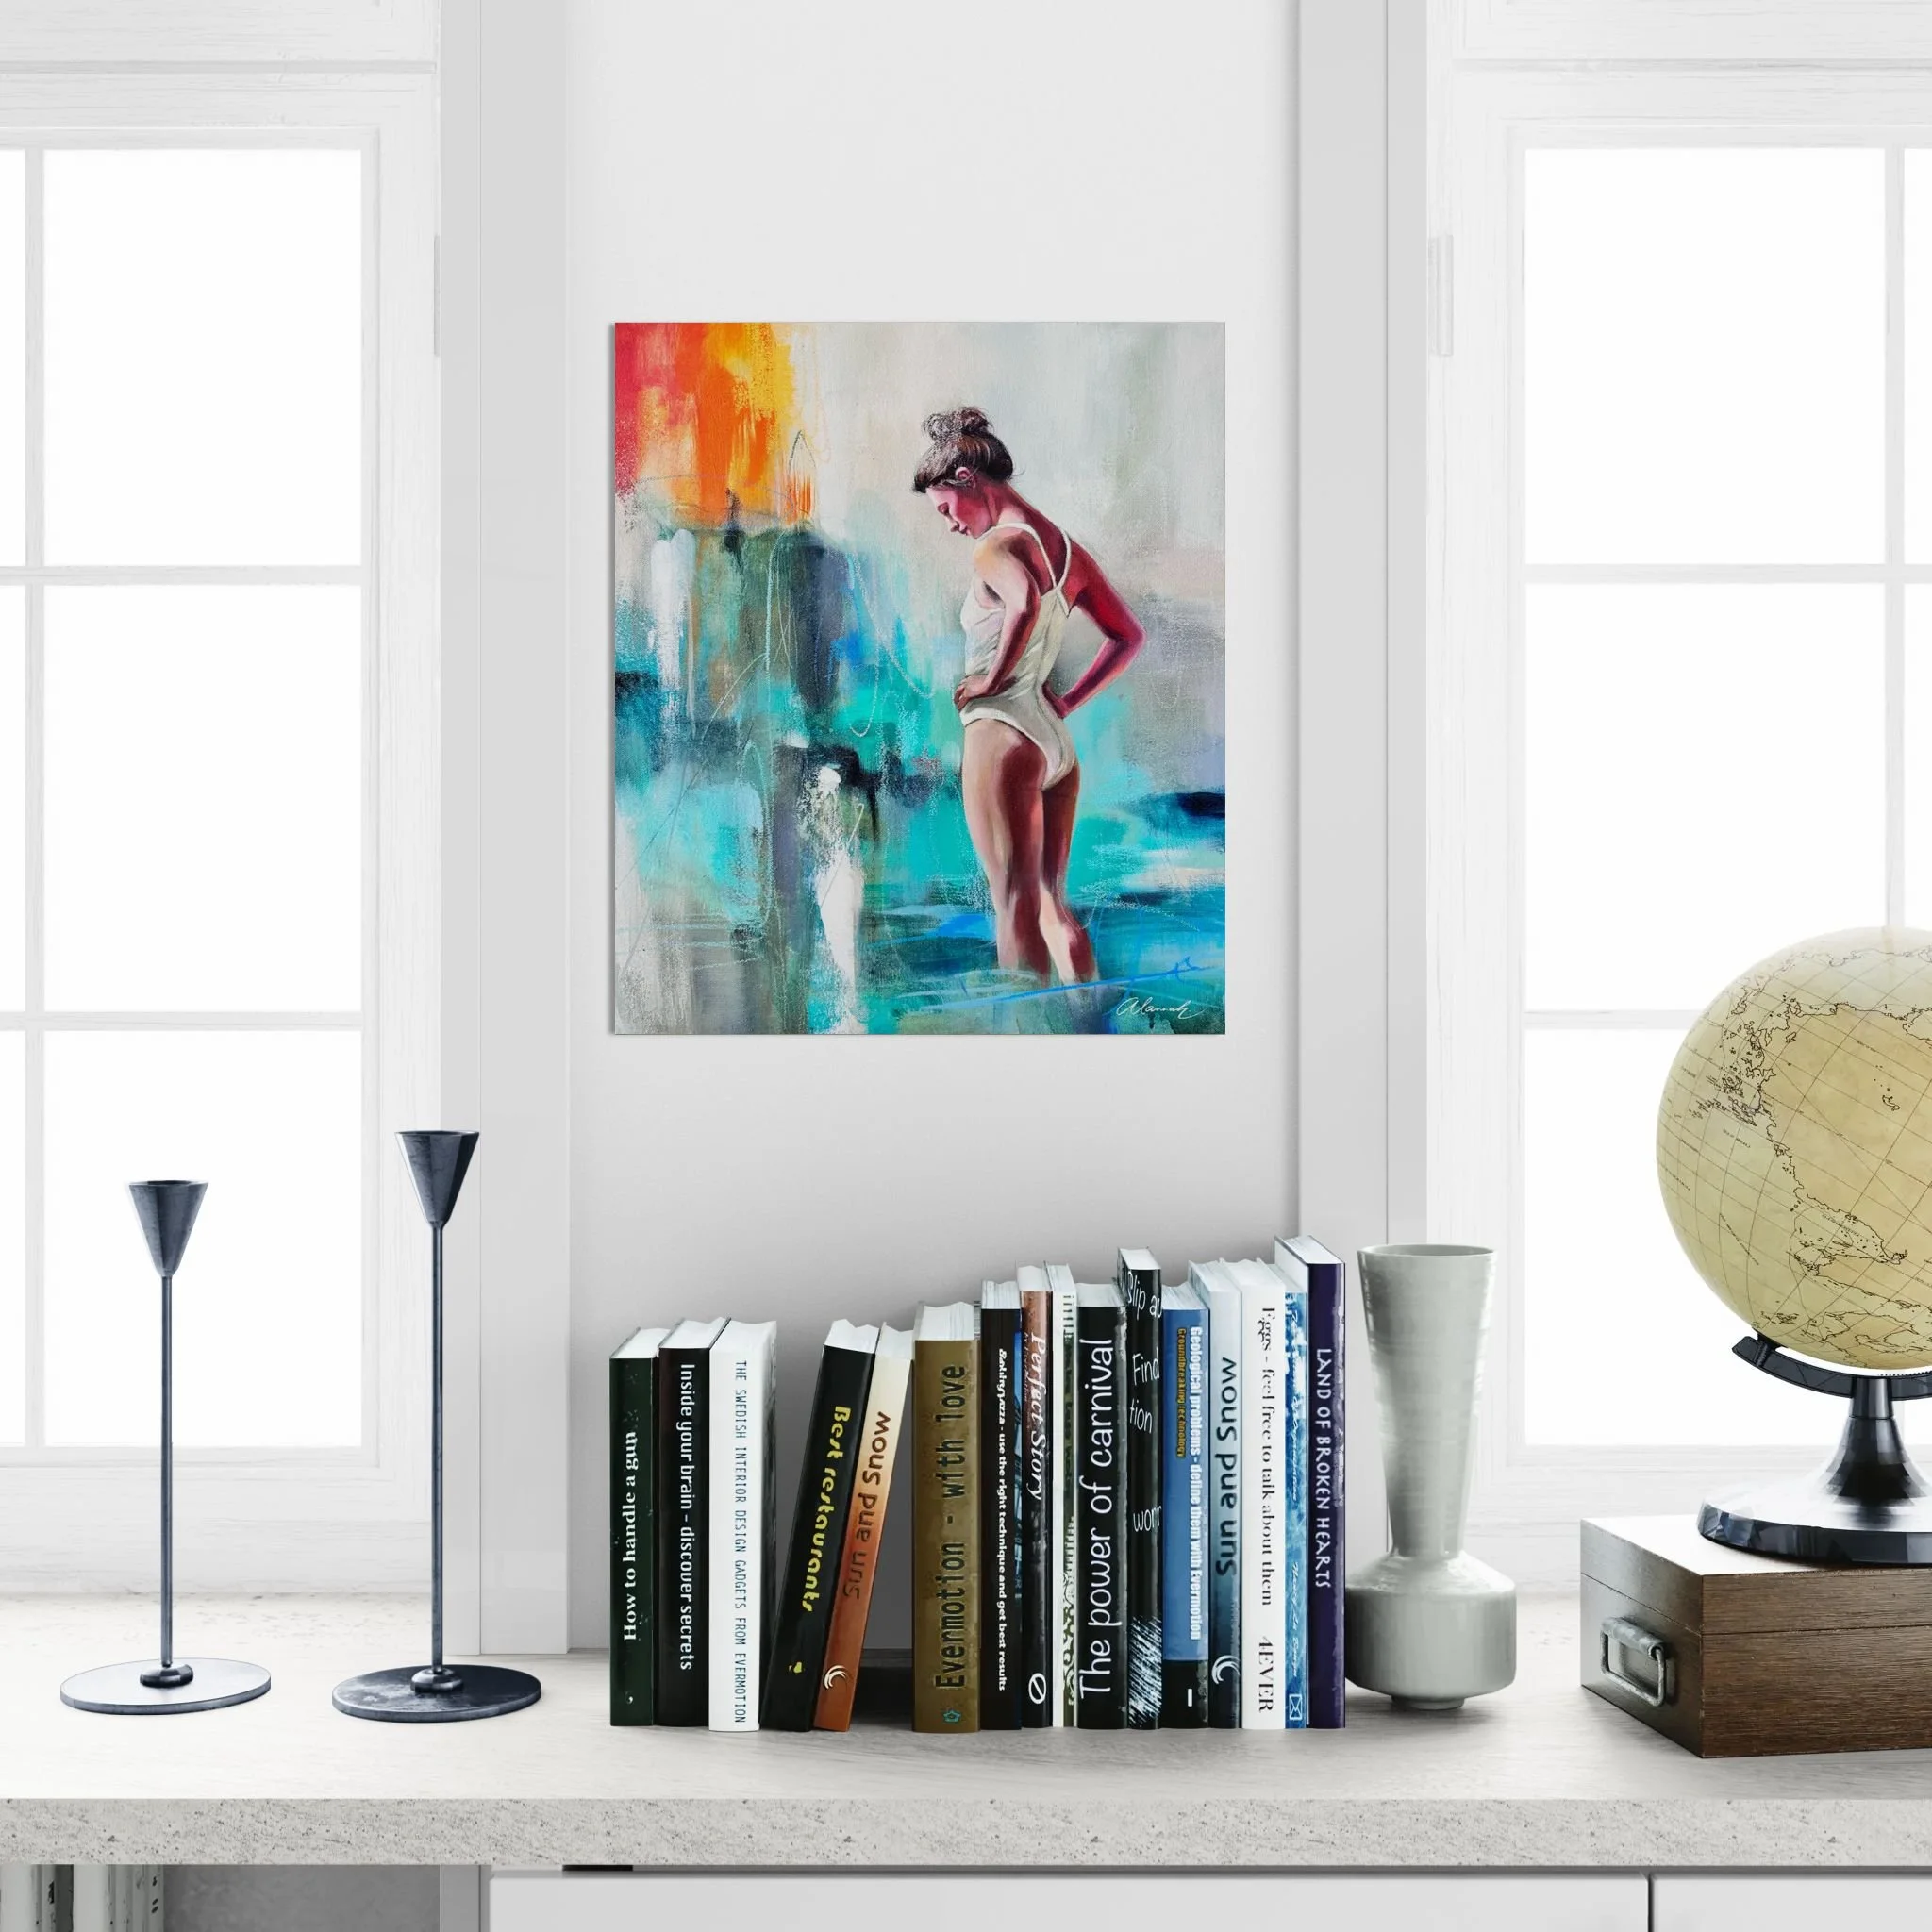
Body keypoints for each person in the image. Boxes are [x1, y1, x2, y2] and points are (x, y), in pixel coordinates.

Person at [913, 407, 1145, 982]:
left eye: (946, 508)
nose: (949, 523)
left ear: (968, 480)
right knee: (1050, 907)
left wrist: (989, 682)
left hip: (1001, 736)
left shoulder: (994, 547)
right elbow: (1126, 637)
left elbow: (1023, 603)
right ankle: (1088, 1025)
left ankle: (1028, 1045)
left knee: (1011, 909)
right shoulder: (1068, 552)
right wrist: (1063, 705)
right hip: (1052, 745)